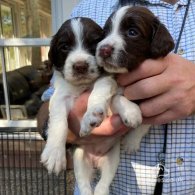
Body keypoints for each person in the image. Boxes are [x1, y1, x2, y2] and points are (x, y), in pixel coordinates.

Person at [37, 0, 195, 194]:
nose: (105, 46)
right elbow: (50, 103)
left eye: (92, 44)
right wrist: (59, 135)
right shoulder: (87, 7)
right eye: (104, 37)